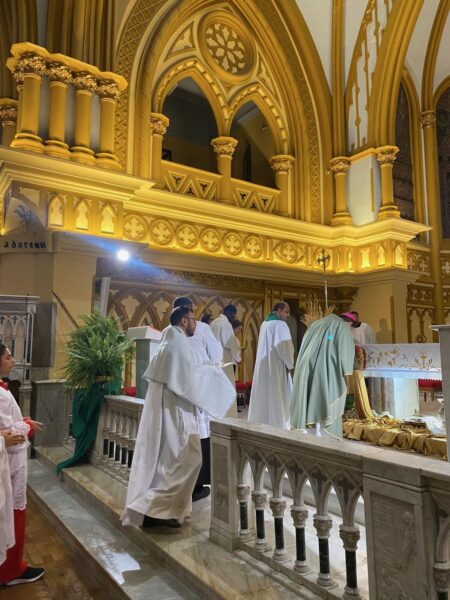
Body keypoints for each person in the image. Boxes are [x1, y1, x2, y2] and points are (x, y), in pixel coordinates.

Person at [122, 306, 235, 529]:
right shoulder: (177, 344)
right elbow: (188, 382)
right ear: (184, 321)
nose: (195, 324)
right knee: (186, 460)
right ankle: (153, 509)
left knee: (172, 463)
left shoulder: (170, 341)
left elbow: (183, 374)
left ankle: (165, 511)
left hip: (168, 413)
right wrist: (213, 373)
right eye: (193, 320)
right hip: (176, 414)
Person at [0, 344, 45, 586]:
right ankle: (10, 570)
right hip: (8, 463)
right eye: (8, 357)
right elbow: (8, 434)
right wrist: (26, 426)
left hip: (8, 461)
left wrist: (24, 421)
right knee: (11, 515)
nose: (13, 360)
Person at [172, 297, 223, 501]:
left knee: (185, 435)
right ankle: (197, 485)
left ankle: (183, 484)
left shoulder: (170, 332)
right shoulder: (201, 328)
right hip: (200, 388)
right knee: (201, 435)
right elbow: (217, 354)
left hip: (179, 391)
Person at [290, 312, 356, 439]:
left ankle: (312, 431)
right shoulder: (341, 326)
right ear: (349, 322)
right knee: (325, 397)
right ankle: (324, 434)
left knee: (311, 397)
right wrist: (347, 373)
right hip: (324, 367)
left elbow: (326, 340)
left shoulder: (316, 323)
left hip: (306, 364)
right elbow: (344, 351)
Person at [248, 302, 294, 429]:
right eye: (286, 312)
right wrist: (290, 363)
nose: (287, 315)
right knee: (277, 394)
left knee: (264, 394)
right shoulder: (280, 325)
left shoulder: (265, 323)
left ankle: (262, 421)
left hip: (264, 366)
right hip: (276, 366)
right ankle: (278, 423)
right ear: (279, 310)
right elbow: (284, 346)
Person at [211, 305, 241, 416]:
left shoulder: (213, 323)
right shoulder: (226, 324)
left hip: (214, 360)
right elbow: (230, 343)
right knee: (226, 386)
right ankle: (228, 413)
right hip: (224, 360)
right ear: (230, 313)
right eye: (234, 315)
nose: (234, 317)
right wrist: (238, 356)